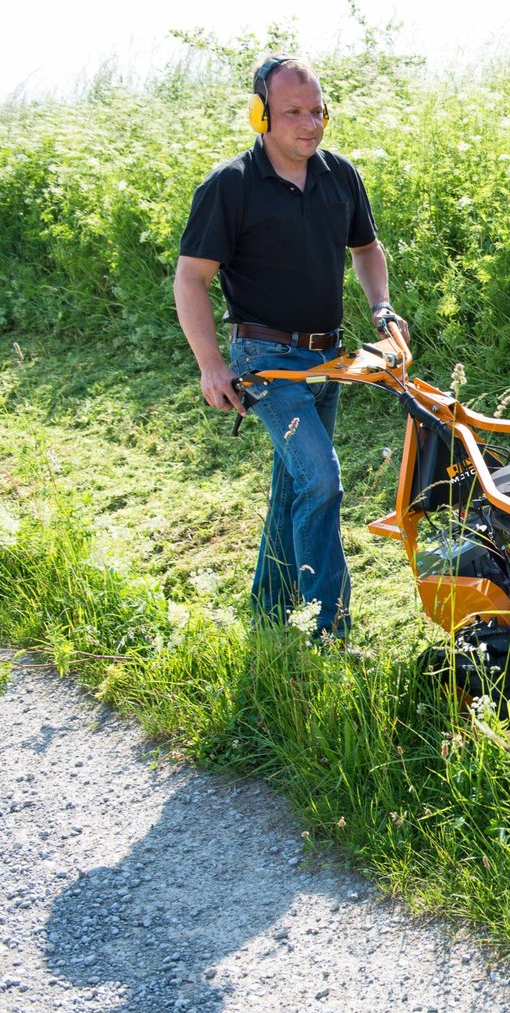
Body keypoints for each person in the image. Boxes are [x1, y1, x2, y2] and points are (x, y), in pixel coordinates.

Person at [174, 55, 407, 639]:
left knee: (294, 485)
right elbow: (190, 279)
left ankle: (268, 611)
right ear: (261, 114)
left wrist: (380, 307)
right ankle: (330, 632)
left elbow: (367, 250)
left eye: (317, 111)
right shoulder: (232, 185)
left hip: (328, 359)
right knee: (322, 480)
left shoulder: (339, 176)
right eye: (293, 112)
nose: (310, 124)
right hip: (266, 364)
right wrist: (210, 365)